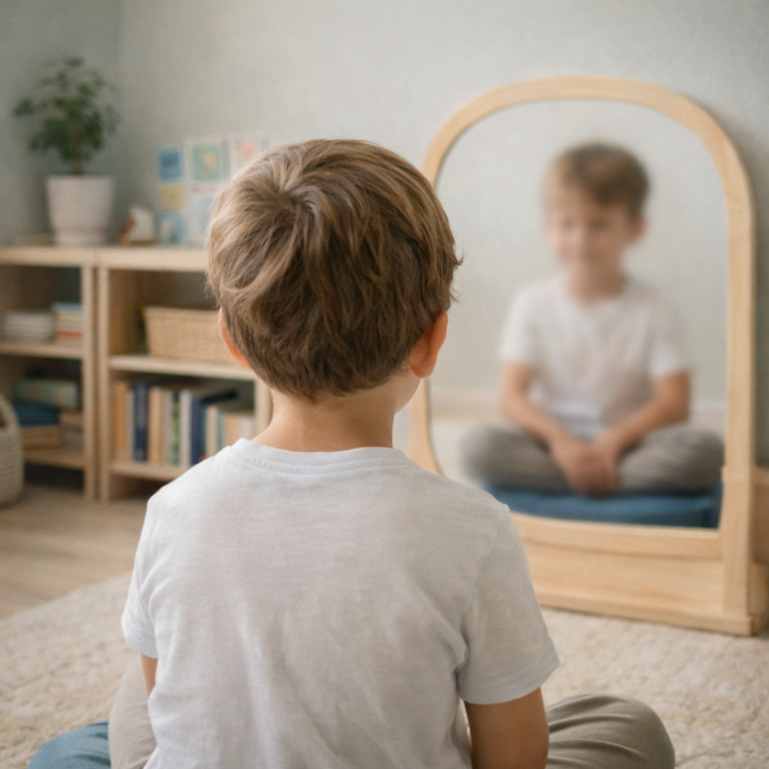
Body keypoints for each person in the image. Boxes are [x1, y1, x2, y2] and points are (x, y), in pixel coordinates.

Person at [29, 140, 674, 769]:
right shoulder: (474, 532)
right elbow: (515, 758)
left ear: (233, 343)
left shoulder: (173, 509)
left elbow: (160, 697)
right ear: (430, 341)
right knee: (627, 726)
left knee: (91, 732)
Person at [462, 143, 724, 498]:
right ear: (548, 227)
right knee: (478, 448)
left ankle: (589, 476)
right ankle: (597, 478)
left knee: (703, 451)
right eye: (567, 224)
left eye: (598, 224)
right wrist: (563, 443)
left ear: (634, 229)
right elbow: (510, 397)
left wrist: (612, 442)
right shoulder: (532, 303)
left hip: (629, 445)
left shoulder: (653, 307)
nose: (581, 239)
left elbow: (674, 403)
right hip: (550, 445)